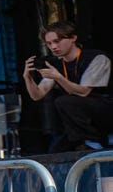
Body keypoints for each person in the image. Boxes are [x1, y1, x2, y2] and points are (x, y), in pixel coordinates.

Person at [23, 21, 113, 152]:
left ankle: (93, 142)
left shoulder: (96, 58)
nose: (53, 47)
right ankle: (85, 143)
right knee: (56, 150)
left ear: (73, 38)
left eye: (57, 41)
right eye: (49, 43)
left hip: (106, 107)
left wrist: (58, 77)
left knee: (65, 101)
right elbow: (37, 95)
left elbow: (84, 92)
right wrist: (27, 77)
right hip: (84, 117)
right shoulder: (57, 64)